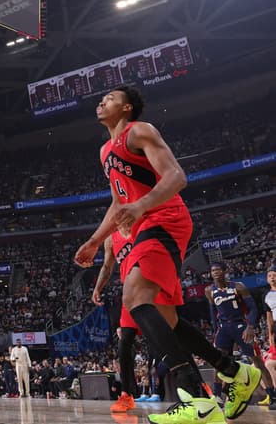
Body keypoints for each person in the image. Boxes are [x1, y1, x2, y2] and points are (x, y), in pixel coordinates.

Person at [74, 85, 260, 424]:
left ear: (127, 107)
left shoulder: (139, 131)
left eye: (111, 98)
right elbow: (119, 202)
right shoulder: (105, 151)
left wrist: (142, 205)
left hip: (165, 218)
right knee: (168, 322)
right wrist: (94, 240)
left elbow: (177, 176)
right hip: (145, 224)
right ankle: (236, 372)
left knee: (134, 298)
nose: (102, 101)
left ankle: (196, 398)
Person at [205, 262, 273, 401]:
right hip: (223, 329)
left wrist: (250, 326)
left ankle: (272, 394)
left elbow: (253, 309)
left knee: (257, 361)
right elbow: (213, 314)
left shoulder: (238, 287)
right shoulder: (209, 291)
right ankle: (217, 396)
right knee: (219, 361)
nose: (215, 272)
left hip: (241, 326)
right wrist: (214, 330)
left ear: (225, 271)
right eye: (213, 271)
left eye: (218, 269)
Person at [92, 230, 141, 412]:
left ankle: (196, 388)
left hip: (149, 286)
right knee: (124, 344)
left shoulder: (140, 224)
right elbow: (106, 266)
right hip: (128, 293)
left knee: (164, 339)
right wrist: (98, 288)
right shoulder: (111, 240)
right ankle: (126, 394)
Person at [264, 265, 276, 410]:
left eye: (274, 274)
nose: (272, 277)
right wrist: (270, 334)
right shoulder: (266, 296)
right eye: (270, 275)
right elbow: (269, 318)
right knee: (269, 365)